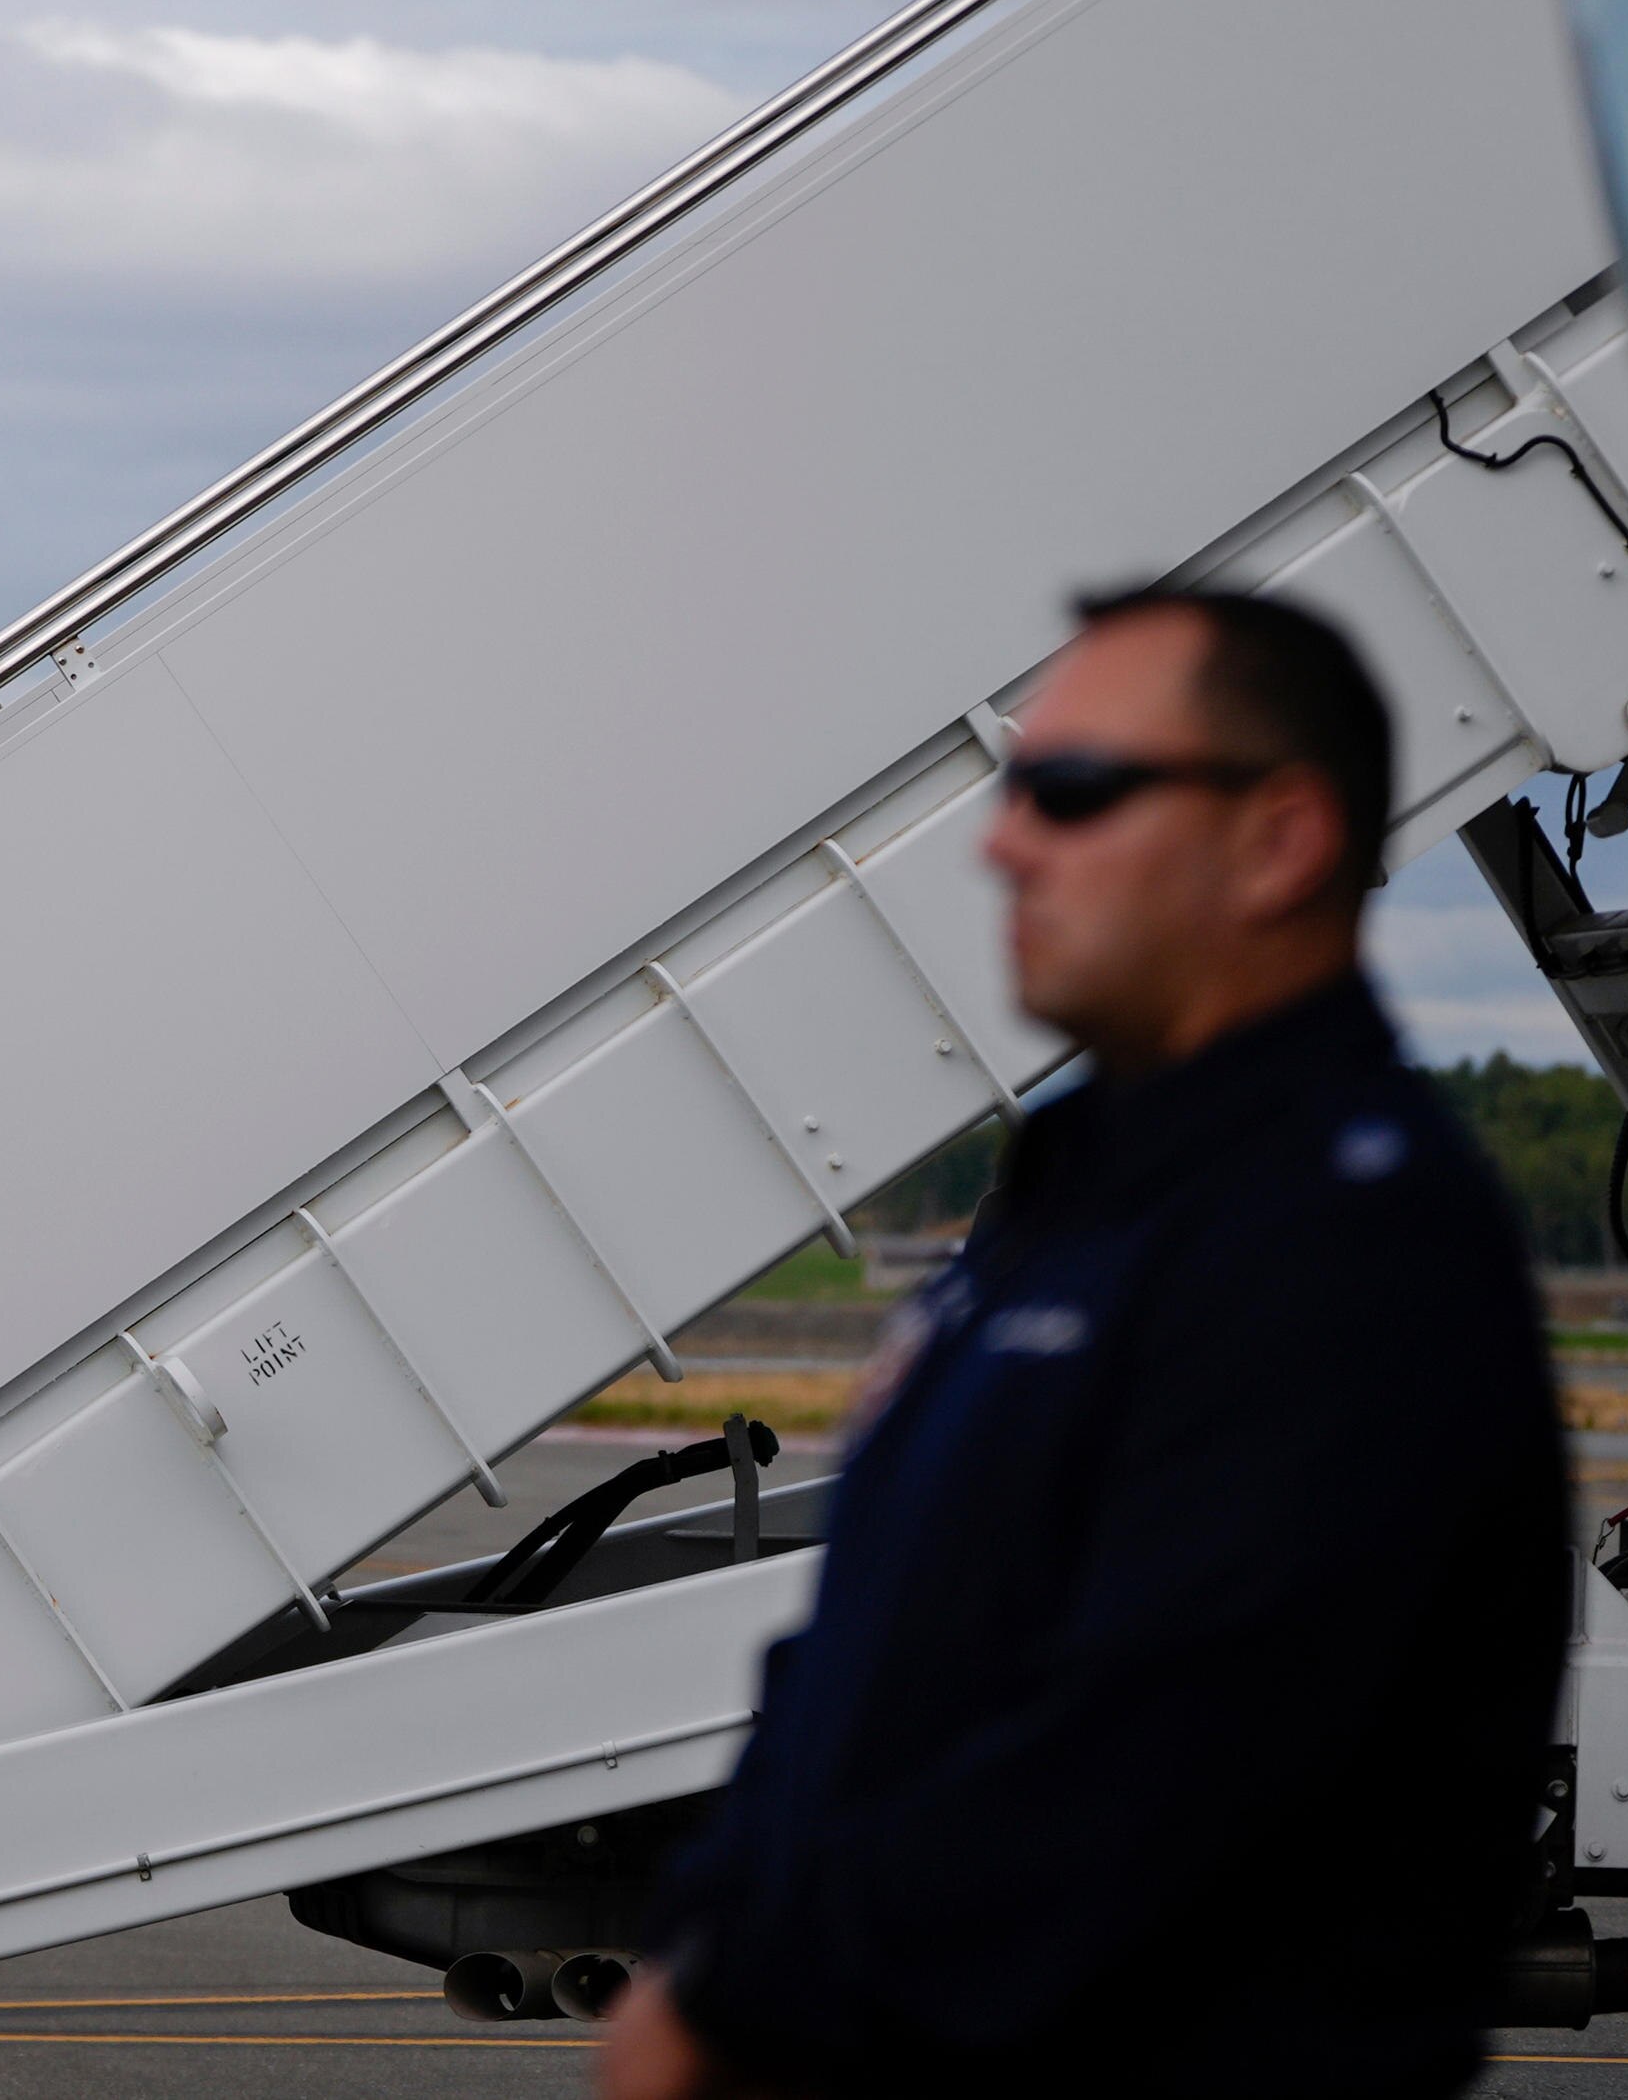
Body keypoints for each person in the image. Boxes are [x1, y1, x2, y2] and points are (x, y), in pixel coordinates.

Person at [607, 586, 1567, 2100]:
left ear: (1280, 840)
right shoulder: (1075, 1200)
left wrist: (735, 1998)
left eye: (1071, 791)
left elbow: (1144, 1779)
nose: (1003, 844)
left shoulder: (1346, 1249)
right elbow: (854, 1661)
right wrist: (698, 1937)